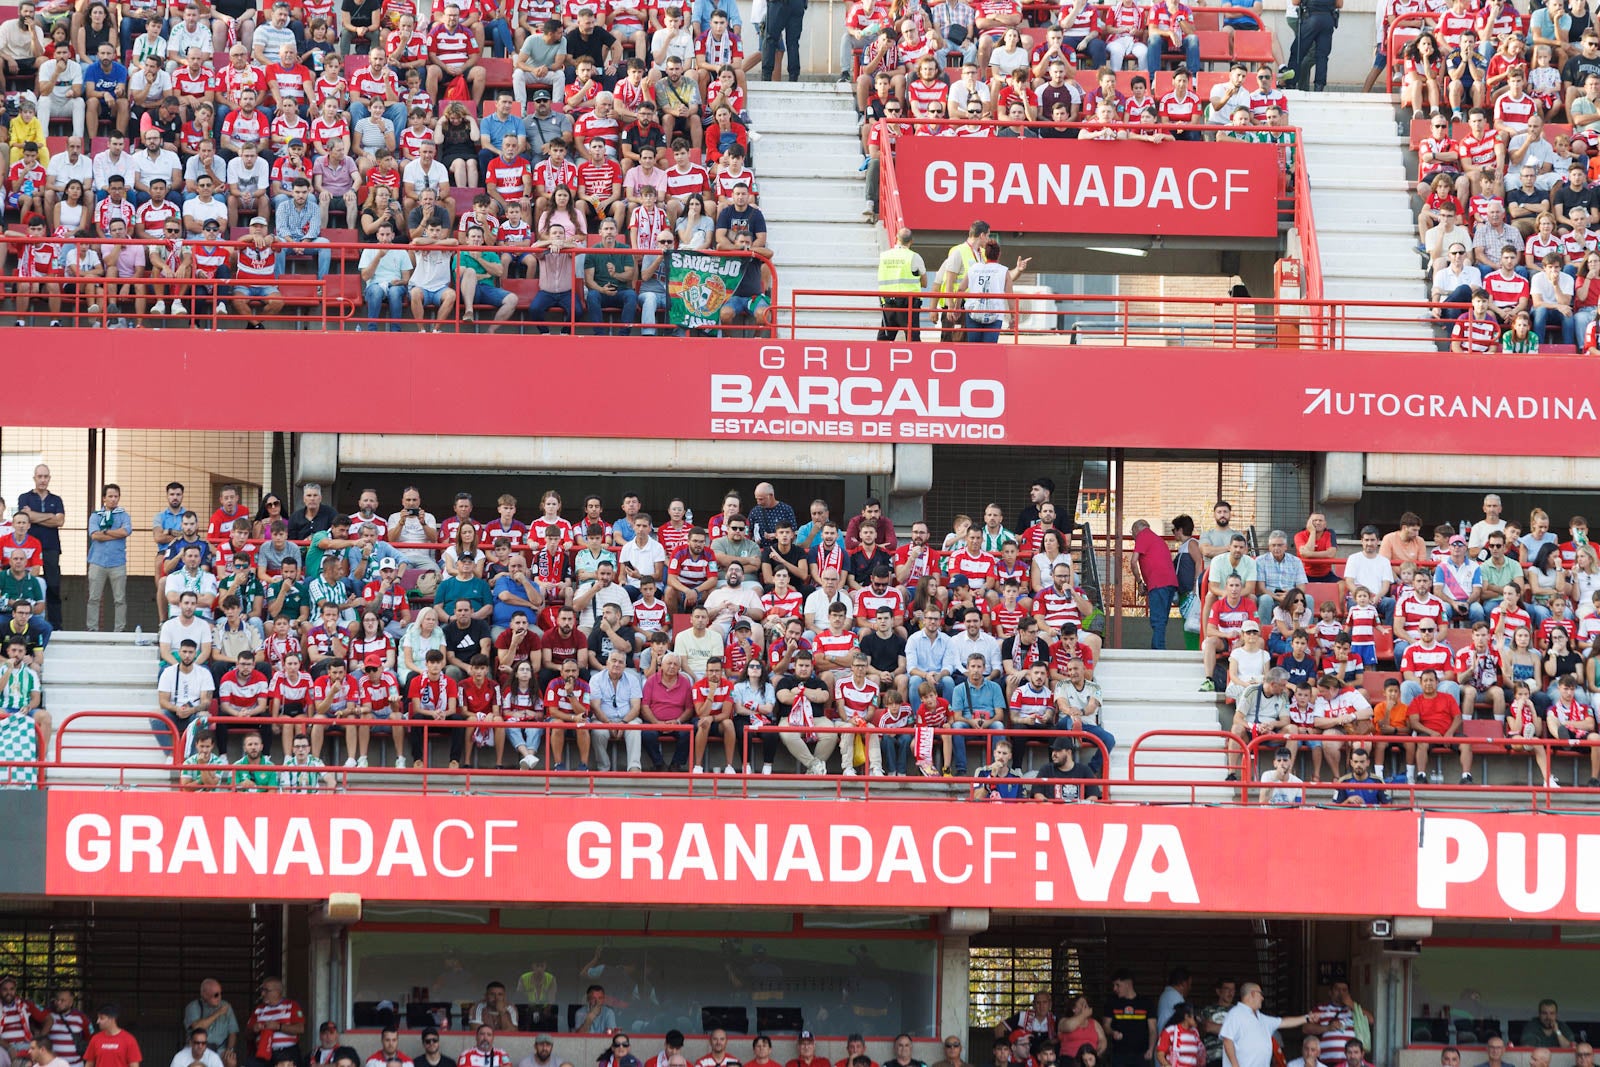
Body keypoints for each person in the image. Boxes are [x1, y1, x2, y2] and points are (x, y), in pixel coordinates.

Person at [1219, 985, 1316, 1067]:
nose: (1262, 998)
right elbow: (1227, 1040)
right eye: (1260, 994)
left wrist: (1306, 1018)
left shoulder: (1261, 1018)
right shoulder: (1235, 1013)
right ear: (1253, 994)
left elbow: (1284, 1022)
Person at [15, 464, 63, 629]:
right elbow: (25, 517)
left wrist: (34, 515)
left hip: (51, 547)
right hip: (28, 547)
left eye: (46, 476)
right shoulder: (25, 497)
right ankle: (27, 622)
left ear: (49, 478)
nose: (43, 480)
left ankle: (56, 625)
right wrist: (50, 516)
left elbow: (60, 521)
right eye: (39, 476)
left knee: (53, 585)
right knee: (28, 583)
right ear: (34, 478)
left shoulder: (56, 499)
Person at [1130, 519, 1180, 650]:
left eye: (1132, 533)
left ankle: (1158, 651)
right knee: (1162, 620)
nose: (1133, 537)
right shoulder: (1158, 540)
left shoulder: (1143, 535)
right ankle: (1159, 649)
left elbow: (1133, 562)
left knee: (1157, 620)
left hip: (1158, 583)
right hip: (1170, 583)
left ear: (1136, 529)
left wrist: (1140, 582)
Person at [877, 228, 924, 341]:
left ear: (895, 239)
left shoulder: (884, 256)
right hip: (908, 306)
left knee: (883, 340)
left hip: (888, 304)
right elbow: (925, 282)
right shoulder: (914, 256)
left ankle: (878, 358)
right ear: (911, 241)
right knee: (913, 341)